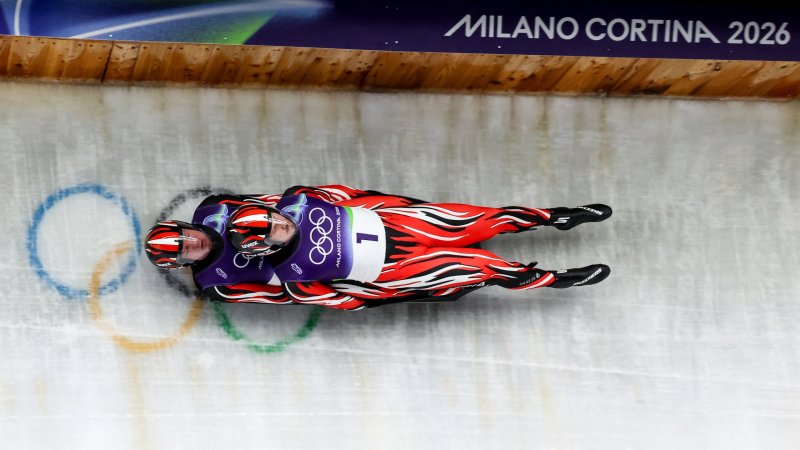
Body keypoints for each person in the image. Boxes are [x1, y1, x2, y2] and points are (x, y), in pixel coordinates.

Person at [144, 185, 612, 310]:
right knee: (480, 267)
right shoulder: (230, 281)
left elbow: (338, 194)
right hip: (386, 269)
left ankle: (555, 217)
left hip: (395, 222)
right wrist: (378, 293)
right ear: (184, 261)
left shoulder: (231, 209)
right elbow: (304, 296)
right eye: (185, 248)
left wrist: (383, 204)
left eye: (185, 233)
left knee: (480, 219)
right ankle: (553, 279)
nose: (194, 241)